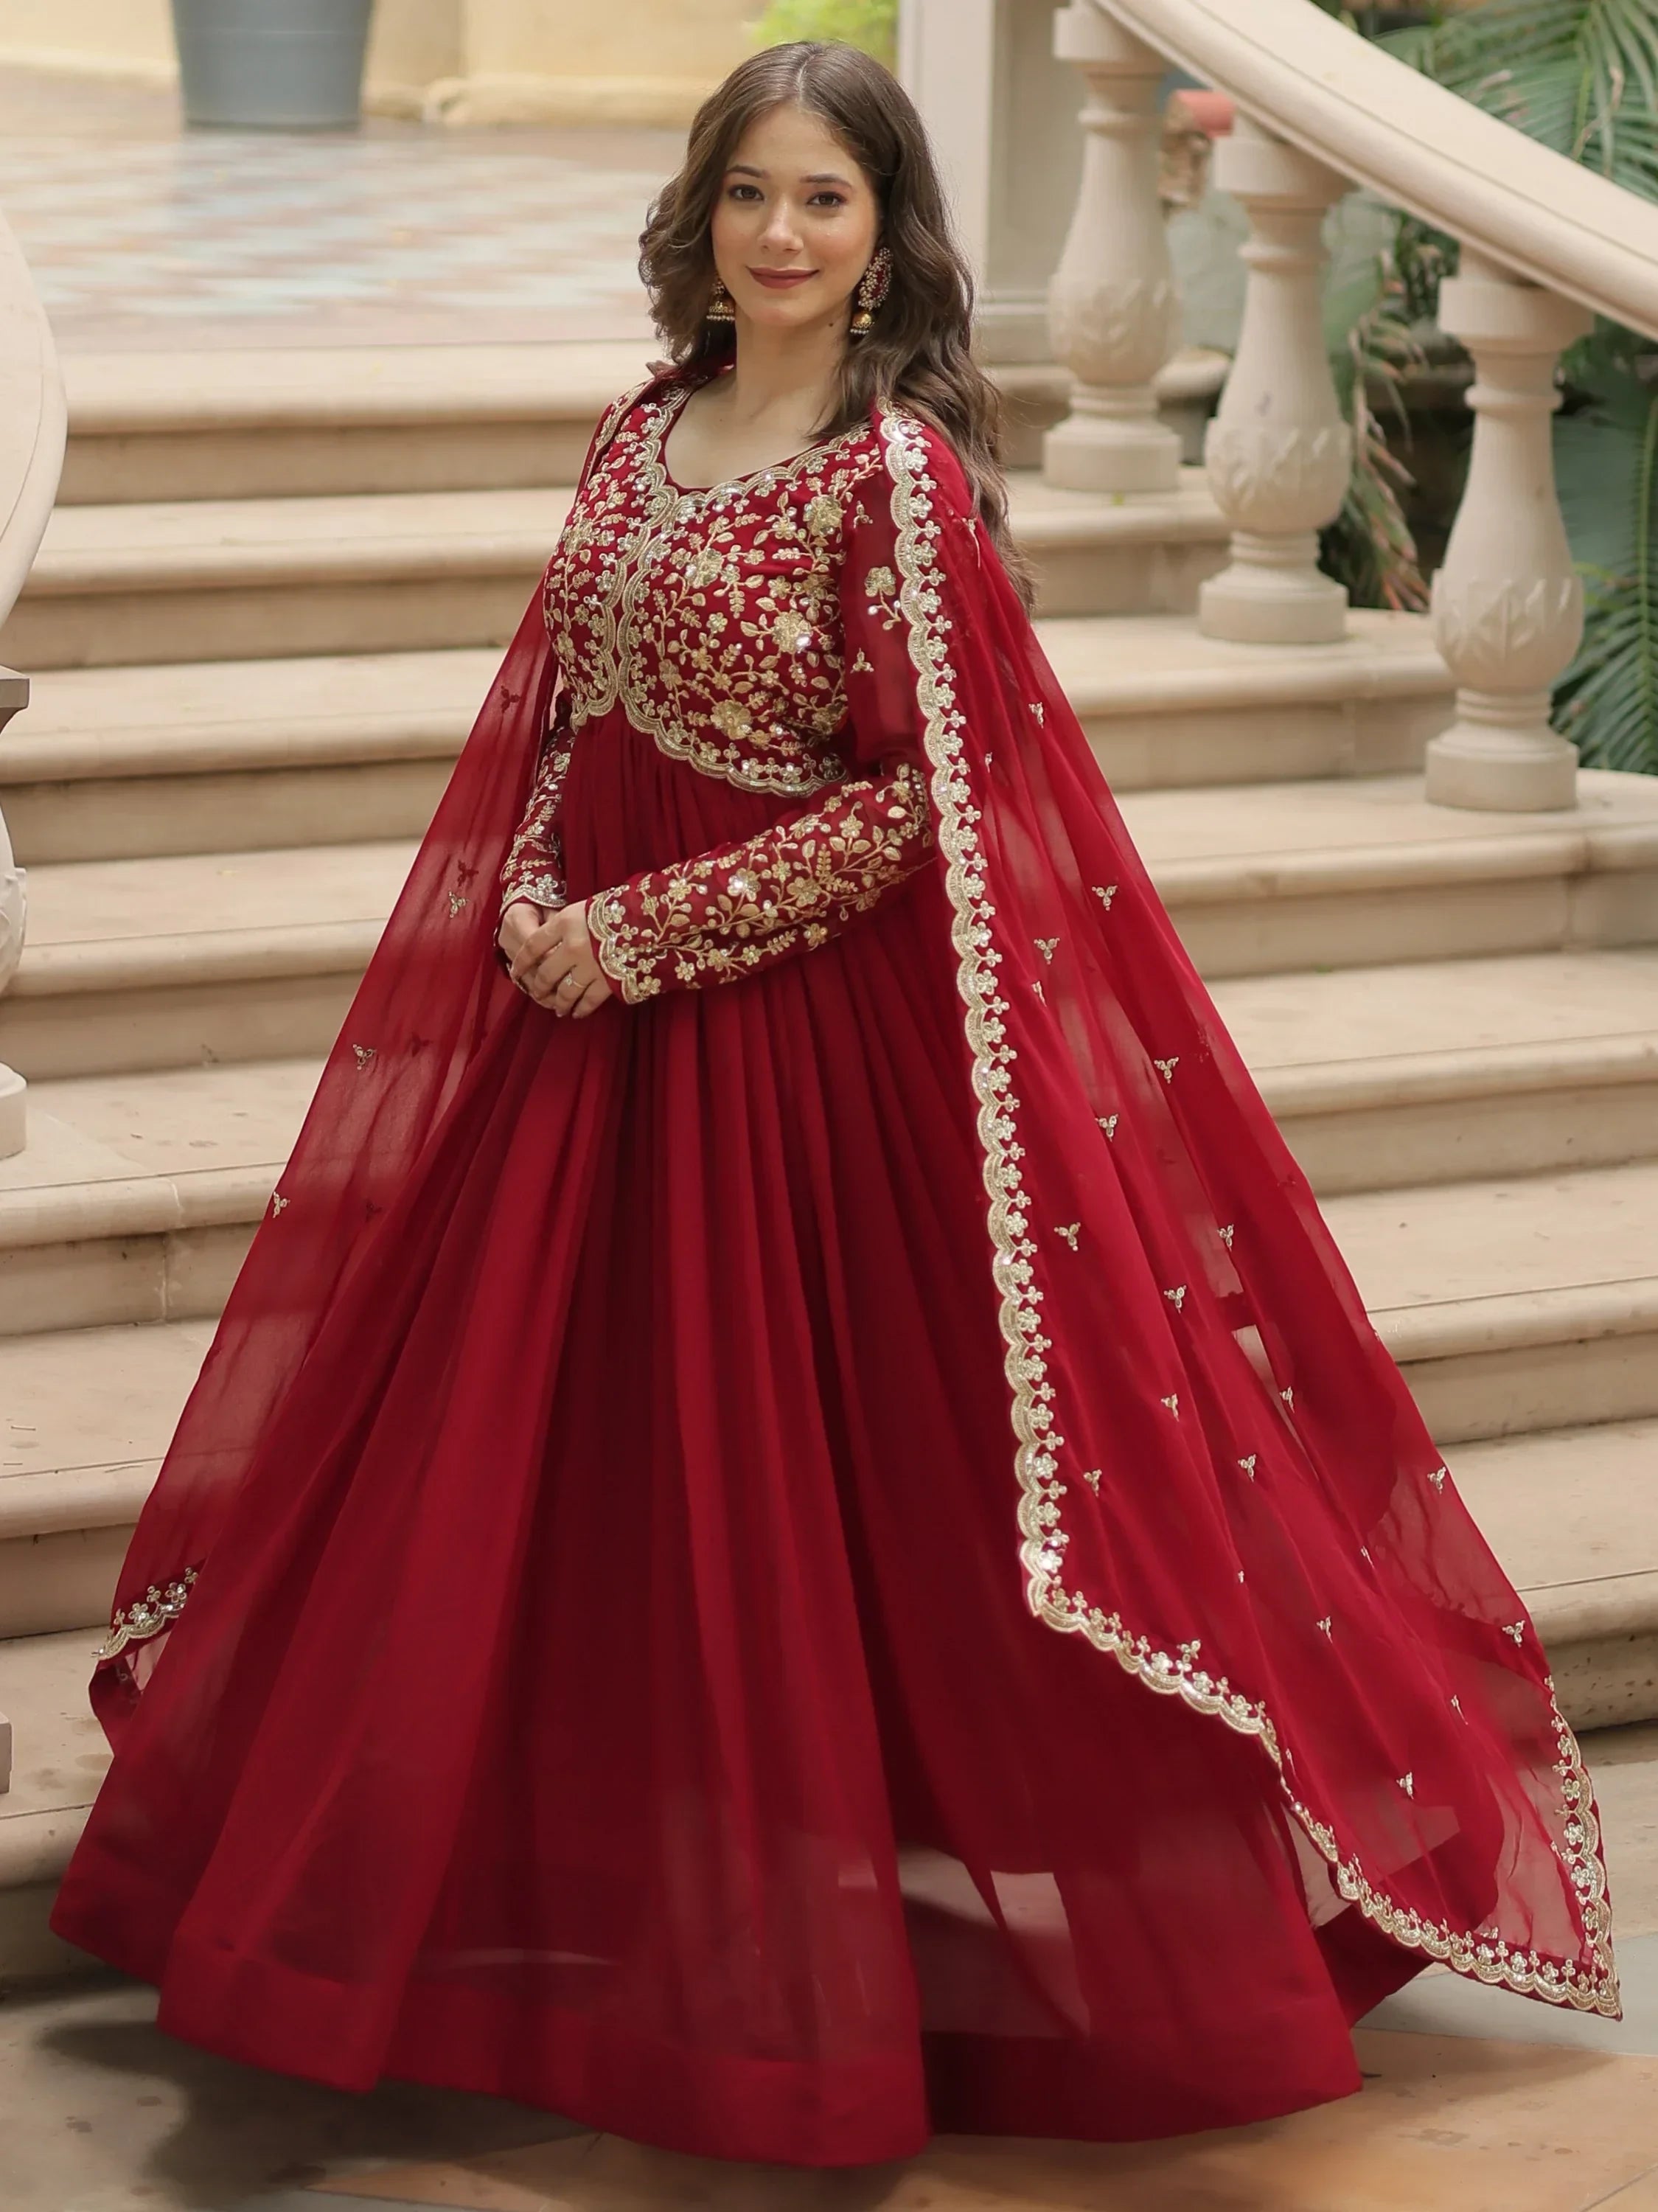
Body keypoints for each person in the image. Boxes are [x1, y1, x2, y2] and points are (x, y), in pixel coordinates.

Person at [52, 38, 1617, 2171]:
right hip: (566, 1036)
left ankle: (799, 1953)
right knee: (554, 1457)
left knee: (796, 1470)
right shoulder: (640, 431)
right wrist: (532, 897)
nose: (779, 238)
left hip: (779, 1050)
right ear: (697, 215)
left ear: (888, 245)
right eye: (750, 196)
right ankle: (560, 1875)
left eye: (825, 203)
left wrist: (651, 931)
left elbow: (922, 803)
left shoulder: (891, 481)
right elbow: (555, 700)